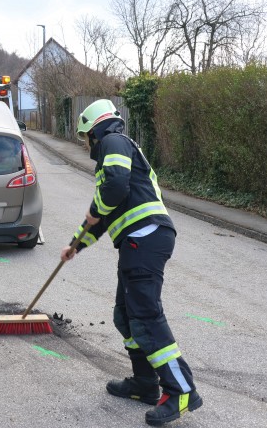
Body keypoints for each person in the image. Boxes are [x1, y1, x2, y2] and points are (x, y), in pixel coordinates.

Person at [61, 99, 202, 426]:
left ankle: (181, 390)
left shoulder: (114, 142)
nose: (86, 144)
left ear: (94, 130)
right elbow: (106, 212)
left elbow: (113, 190)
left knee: (144, 315)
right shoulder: (114, 154)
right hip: (140, 239)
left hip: (147, 236)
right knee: (125, 315)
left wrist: (95, 210)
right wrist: (74, 246)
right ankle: (144, 384)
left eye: (86, 137)